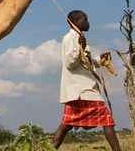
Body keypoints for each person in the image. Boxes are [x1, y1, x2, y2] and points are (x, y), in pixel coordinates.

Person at [51, 10, 121, 151]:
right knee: (107, 120)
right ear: (75, 22)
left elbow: (85, 63)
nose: (88, 22)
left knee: (66, 125)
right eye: (85, 19)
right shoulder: (69, 38)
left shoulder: (79, 38)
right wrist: (80, 47)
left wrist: (99, 61)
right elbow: (70, 62)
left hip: (82, 91)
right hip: (82, 91)